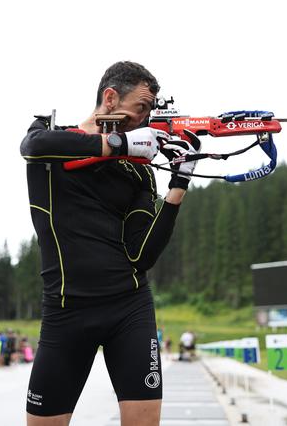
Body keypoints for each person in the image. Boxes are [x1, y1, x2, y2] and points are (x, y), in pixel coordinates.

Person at [20, 61, 201, 426]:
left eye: (149, 113)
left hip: (128, 308)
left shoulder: (138, 169)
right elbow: (32, 145)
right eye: (139, 109)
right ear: (110, 97)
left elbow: (142, 255)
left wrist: (178, 185)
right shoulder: (51, 139)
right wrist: (116, 141)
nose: (144, 121)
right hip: (65, 311)